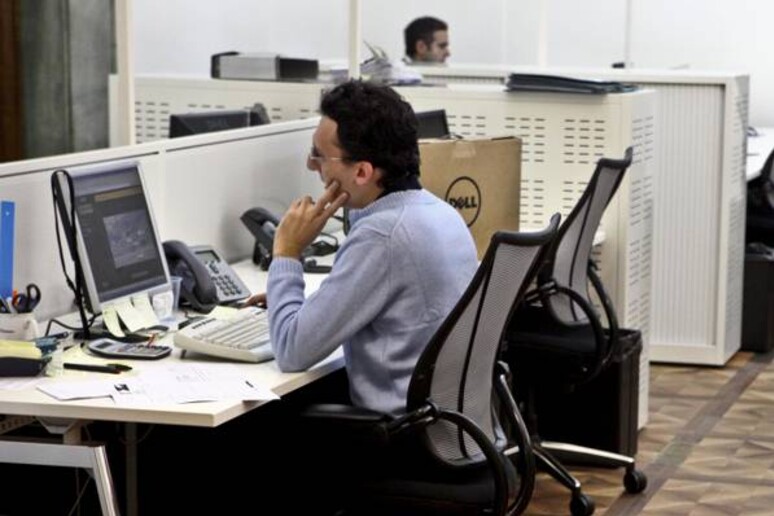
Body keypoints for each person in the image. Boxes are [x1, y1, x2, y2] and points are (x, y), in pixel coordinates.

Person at [249, 80, 477, 416]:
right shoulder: (438, 212)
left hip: (401, 433)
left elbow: (291, 350)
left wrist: (287, 252)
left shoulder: (381, 236)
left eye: (319, 155)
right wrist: (301, 301)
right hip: (452, 426)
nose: (311, 165)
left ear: (361, 171)